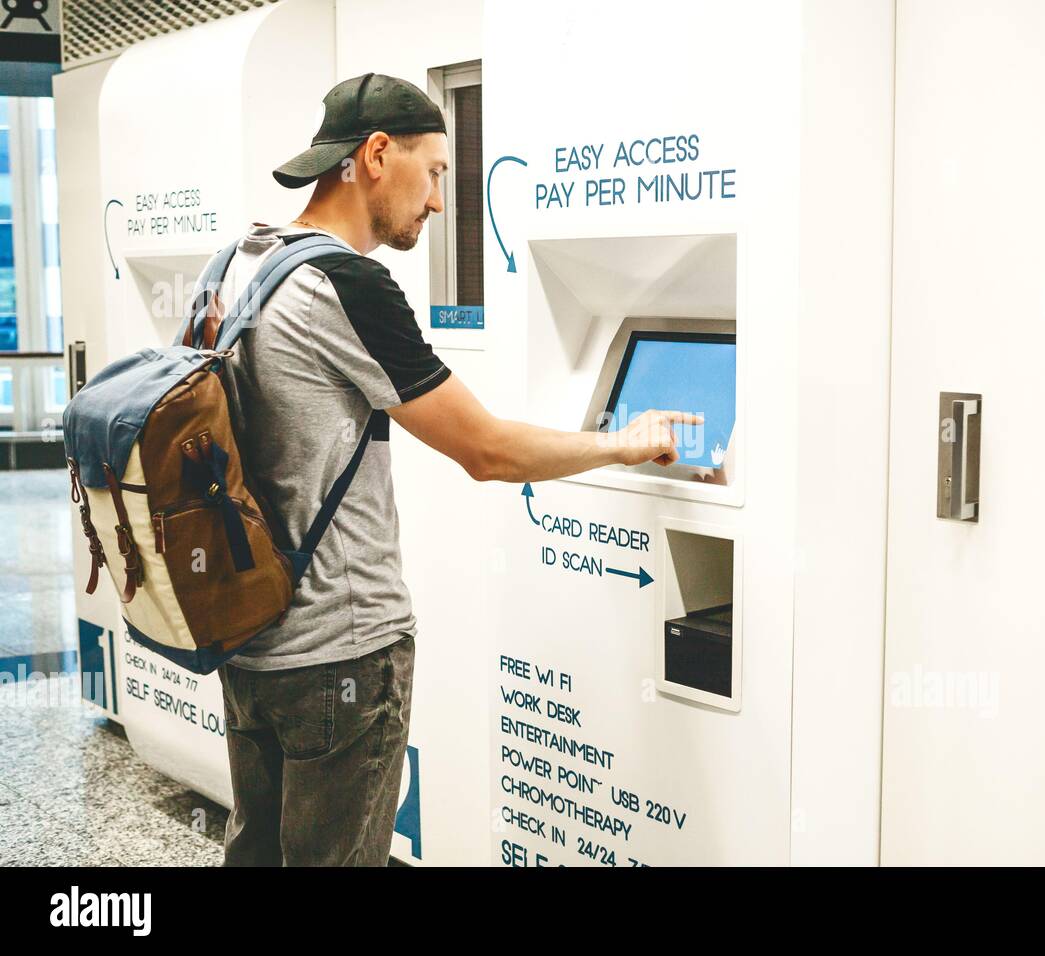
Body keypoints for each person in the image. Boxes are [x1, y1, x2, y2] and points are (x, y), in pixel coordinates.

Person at [214, 73, 699, 866]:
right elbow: (488, 451)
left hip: (249, 640)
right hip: (341, 650)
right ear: (376, 155)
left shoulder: (240, 262)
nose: (440, 202)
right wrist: (622, 442)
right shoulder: (348, 283)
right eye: (436, 172)